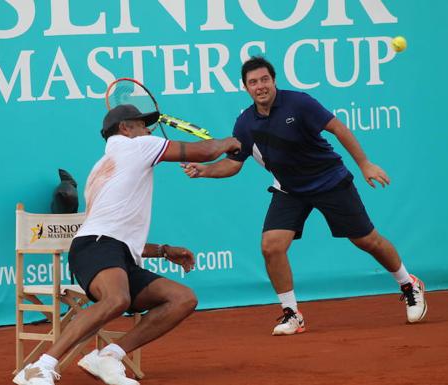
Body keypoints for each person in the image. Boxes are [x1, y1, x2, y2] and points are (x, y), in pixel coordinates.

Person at [182, 56, 427, 336]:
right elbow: (234, 164)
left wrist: (364, 164)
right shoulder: (245, 123)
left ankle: (408, 283)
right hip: (290, 190)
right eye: (253, 82)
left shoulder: (299, 103)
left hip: (329, 181)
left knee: (367, 240)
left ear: (273, 81)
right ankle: (292, 313)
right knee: (271, 246)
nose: (260, 86)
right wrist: (205, 170)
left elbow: (338, 128)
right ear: (246, 88)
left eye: (264, 79)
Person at [13, 104, 241, 385]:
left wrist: (163, 250)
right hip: (95, 247)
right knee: (116, 299)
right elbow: (205, 152)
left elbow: (119, 233)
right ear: (125, 128)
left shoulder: (103, 166)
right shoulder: (137, 146)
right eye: (142, 124)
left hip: (112, 251)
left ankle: (108, 356)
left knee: (182, 298)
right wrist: (230, 142)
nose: (147, 130)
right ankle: (39, 367)